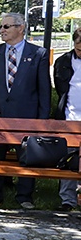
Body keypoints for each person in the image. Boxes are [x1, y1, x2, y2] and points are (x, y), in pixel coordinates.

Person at [0, 13, 51, 209]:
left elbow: (44, 88)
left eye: (6, 27)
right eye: (1, 27)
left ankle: (25, 197)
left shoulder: (38, 54)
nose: (1, 30)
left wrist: (42, 120)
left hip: (26, 116)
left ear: (20, 28)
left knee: (27, 157)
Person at [53, 28, 81, 211]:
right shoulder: (63, 61)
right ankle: (68, 200)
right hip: (70, 118)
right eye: (79, 47)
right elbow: (60, 89)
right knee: (68, 158)